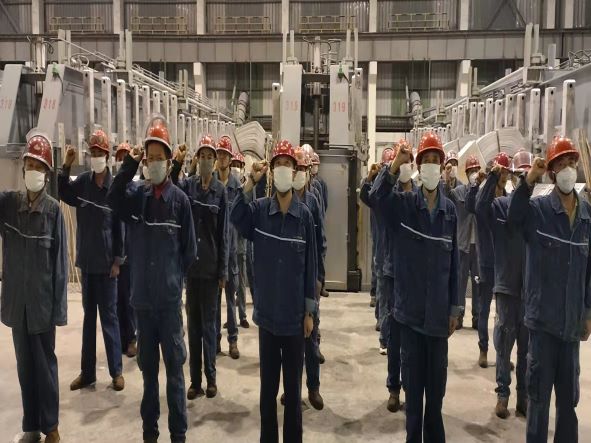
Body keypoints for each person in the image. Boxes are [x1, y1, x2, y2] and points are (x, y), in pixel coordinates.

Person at [108, 115, 196, 443]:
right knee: (148, 377)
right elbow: (112, 198)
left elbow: (189, 252)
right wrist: (128, 165)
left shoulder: (180, 202)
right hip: (143, 305)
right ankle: (149, 432)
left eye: (160, 158)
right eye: (150, 158)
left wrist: (171, 279)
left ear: (169, 162)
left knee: (174, 374)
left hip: (169, 306)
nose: (155, 163)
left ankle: (178, 434)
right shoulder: (135, 198)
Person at [371, 132, 461, 443]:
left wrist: (454, 307)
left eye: (437, 160)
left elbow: (454, 265)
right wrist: (394, 165)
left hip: (437, 321)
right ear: (419, 166)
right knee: (413, 405)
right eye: (428, 160)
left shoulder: (450, 212)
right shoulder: (404, 205)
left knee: (435, 402)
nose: (433, 165)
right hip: (409, 318)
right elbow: (375, 198)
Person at [231, 139, 317, 443]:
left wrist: (309, 312)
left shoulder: (304, 216)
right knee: (267, 393)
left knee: (293, 394)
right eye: (277, 164)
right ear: (272, 171)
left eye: (287, 164)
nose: (282, 169)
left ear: (294, 171)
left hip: (294, 320)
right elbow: (235, 216)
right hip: (267, 318)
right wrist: (250, 181)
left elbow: (311, 267)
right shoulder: (258, 212)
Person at [507, 137, 591, 443]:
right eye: (561, 164)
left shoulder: (586, 216)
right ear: (552, 172)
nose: (568, 169)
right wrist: (528, 180)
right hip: (542, 326)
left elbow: (589, 272)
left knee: (568, 404)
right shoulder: (538, 210)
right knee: (539, 401)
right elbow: (513, 218)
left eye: (571, 162)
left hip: (570, 328)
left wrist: (588, 311)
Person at [1, 132, 67, 443]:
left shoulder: (53, 211)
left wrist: (59, 310)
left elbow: (60, 266)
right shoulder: (9, 205)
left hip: (41, 306)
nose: (33, 170)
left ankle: (51, 427)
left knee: (45, 367)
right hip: (18, 304)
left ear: (47, 173)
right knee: (25, 367)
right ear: (23, 166)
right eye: (30, 164)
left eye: (39, 166)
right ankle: (31, 426)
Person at [58, 128, 125, 392]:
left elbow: (120, 227)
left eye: (100, 152)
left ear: (107, 156)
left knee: (110, 319)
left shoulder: (114, 187)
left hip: (107, 268)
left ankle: (116, 372)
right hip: (87, 264)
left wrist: (118, 260)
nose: (96, 156)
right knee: (88, 321)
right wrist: (65, 166)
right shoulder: (83, 183)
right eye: (93, 152)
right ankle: (87, 374)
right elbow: (63, 193)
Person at [171, 135, 229, 398]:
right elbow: (173, 186)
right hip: (192, 270)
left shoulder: (221, 192)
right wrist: (177, 163)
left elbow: (224, 234)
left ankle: (211, 379)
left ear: (215, 161)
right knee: (193, 328)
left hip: (211, 270)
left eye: (209, 157)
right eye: (202, 156)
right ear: (197, 159)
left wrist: (223, 271)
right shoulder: (189, 187)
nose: (206, 161)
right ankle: (195, 381)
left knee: (209, 328)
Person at [477, 150, 532, 419]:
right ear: (511, 176)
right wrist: (491, 178)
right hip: (507, 287)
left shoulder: (536, 210)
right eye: (519, 175)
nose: (523, 180)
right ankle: (502, 395)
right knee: (504, 346)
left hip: (530, 291)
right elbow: (480, 208)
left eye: (527, 175)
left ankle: (524, 399)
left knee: (527, 350)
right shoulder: (500, 207)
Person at [369, 141, 417, 413]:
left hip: (414, 276)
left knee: (411, 340)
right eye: (401, 162)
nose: (405, 166)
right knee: (395, 336)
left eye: (408, 161)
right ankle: (393, 388)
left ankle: (409, 386)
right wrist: (391, 168)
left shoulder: (420, 196)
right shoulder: (390, 197)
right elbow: (374, 196)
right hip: (392, 271)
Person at [466, 152, 511, 368]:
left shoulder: (509, 197)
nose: (503, 176)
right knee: (484, 308)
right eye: (500, 172)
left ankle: (503, 354)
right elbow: (473, 206)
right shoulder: (484, 197)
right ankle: (483, 349)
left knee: (505, 313)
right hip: (485, 261)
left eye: (505, 172)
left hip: (505, 263)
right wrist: (479, 183)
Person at [291, 146, 326, 410]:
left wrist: (319, 277)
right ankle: (291, 390)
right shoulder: (283, 199)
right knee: (290, 342)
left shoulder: (313, 201)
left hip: (310, 277)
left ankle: (313, 387)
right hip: (289, 280)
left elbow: (320, 241)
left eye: (303, 168)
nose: (300, 173)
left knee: (310, 338)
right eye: (297, 169)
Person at [360, 147, 394, 354]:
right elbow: (367, 196)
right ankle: (383, 332)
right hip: (382, 247)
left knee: (391, 295)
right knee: (382, 290)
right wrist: (370, 178)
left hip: (397, 251)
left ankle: (388, 328)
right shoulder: (378, 193)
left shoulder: (401, 193)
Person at [214, 135, 242, 359]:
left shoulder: (236, 186)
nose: (222, 158)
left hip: (232, 253)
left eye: (225, 154)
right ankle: (215, 340)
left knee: (230, 301)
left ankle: (233, 340)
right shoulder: (211, 184)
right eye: (219, 154)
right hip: (215, 255)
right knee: (214, 304)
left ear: (230, 159)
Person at [448, 156, 481, 330]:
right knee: (460, 283)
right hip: (463, 244)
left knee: (478, 283)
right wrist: (448, 179)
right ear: (467, 173)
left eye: (476, 171)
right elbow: (449, 196)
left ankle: (477, 317)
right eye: (471, 171)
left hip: (479, 246)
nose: (474, 174)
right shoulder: (459, 192)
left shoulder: (484, 192)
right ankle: (459, 316)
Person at [113, 142, 137, 358]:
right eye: (119, 158)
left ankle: (131, 338)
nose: (122, 161)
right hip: (116, 256)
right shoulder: (115, 190)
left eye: (125, 158)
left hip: (130, 255)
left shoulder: (133, 190)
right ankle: (121, 339)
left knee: (129, 300)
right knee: (118, 301)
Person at [231, 151, 251, 327]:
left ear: (243, 168)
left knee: (242, 282)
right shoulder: (228, 188)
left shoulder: (246, 189)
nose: (235, 168)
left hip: (241, 242)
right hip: (229, 243)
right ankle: (231, 318)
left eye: (238, 165)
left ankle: (243, 315)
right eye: (234, 165)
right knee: (231, 283)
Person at [310, 151, 329, 298]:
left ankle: (321, 283)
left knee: (320, 253)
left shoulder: (320, 184)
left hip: (318, 222)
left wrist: (320, 219)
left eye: (316, 164)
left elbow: (324, 204)